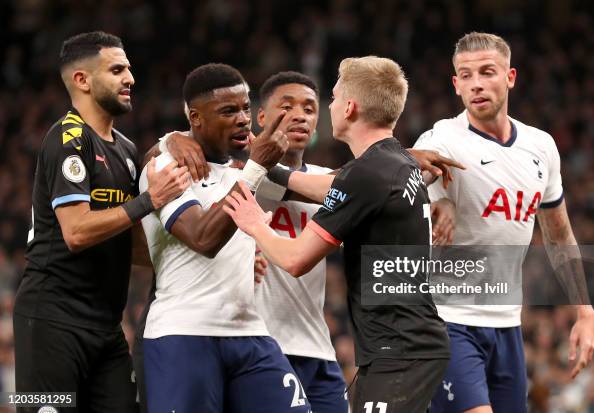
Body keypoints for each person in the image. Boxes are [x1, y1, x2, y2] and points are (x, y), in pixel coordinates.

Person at [224, 56, 450, 413]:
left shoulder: (367, 174)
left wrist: (253, 222)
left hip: (398, 348)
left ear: (349, 107)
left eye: (330, 98)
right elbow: (322, 186)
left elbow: (296, 259)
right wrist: (260, 162)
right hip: (403, 345)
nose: (327, 107)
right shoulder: (397, 162)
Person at [413, 32, 594, 413]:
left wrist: (584, 310)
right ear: (455, 85)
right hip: (447, 320)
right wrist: (439, 200)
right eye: (465, 75)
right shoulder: (445, 137)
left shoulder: (541, 146)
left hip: (507, 324)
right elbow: (409, 168)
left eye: (487, 72)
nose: (476, 83)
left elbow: (559, 234)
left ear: (510, 77)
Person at [13, 31, 190, 412]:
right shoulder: (66, 138)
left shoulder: (126, 150)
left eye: (128, 69)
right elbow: (76, 232)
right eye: (117, 70)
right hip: (49, 323)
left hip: (106, 328)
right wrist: (149, 199)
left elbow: (131, 243)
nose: (131, 78)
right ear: (82, 80)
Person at [139, 63, 312, 413]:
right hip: (185, 333)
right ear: (195, 118)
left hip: (249, 333)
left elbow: (327, 187)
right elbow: (203, 238)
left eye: (246, 108)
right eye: (228, 111)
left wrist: (397, 159)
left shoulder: (245, 170)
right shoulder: (165, 168)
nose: (243, 119)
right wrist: (254, 169)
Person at [254, 71, 348, 413]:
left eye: (309, 109)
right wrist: (173, 138)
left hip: (317, 346)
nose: (300, 115)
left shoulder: (326, 180)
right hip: (261, 343)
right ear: (261, 117)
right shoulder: (240, 174)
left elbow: (375, 177)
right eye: (287, 106)